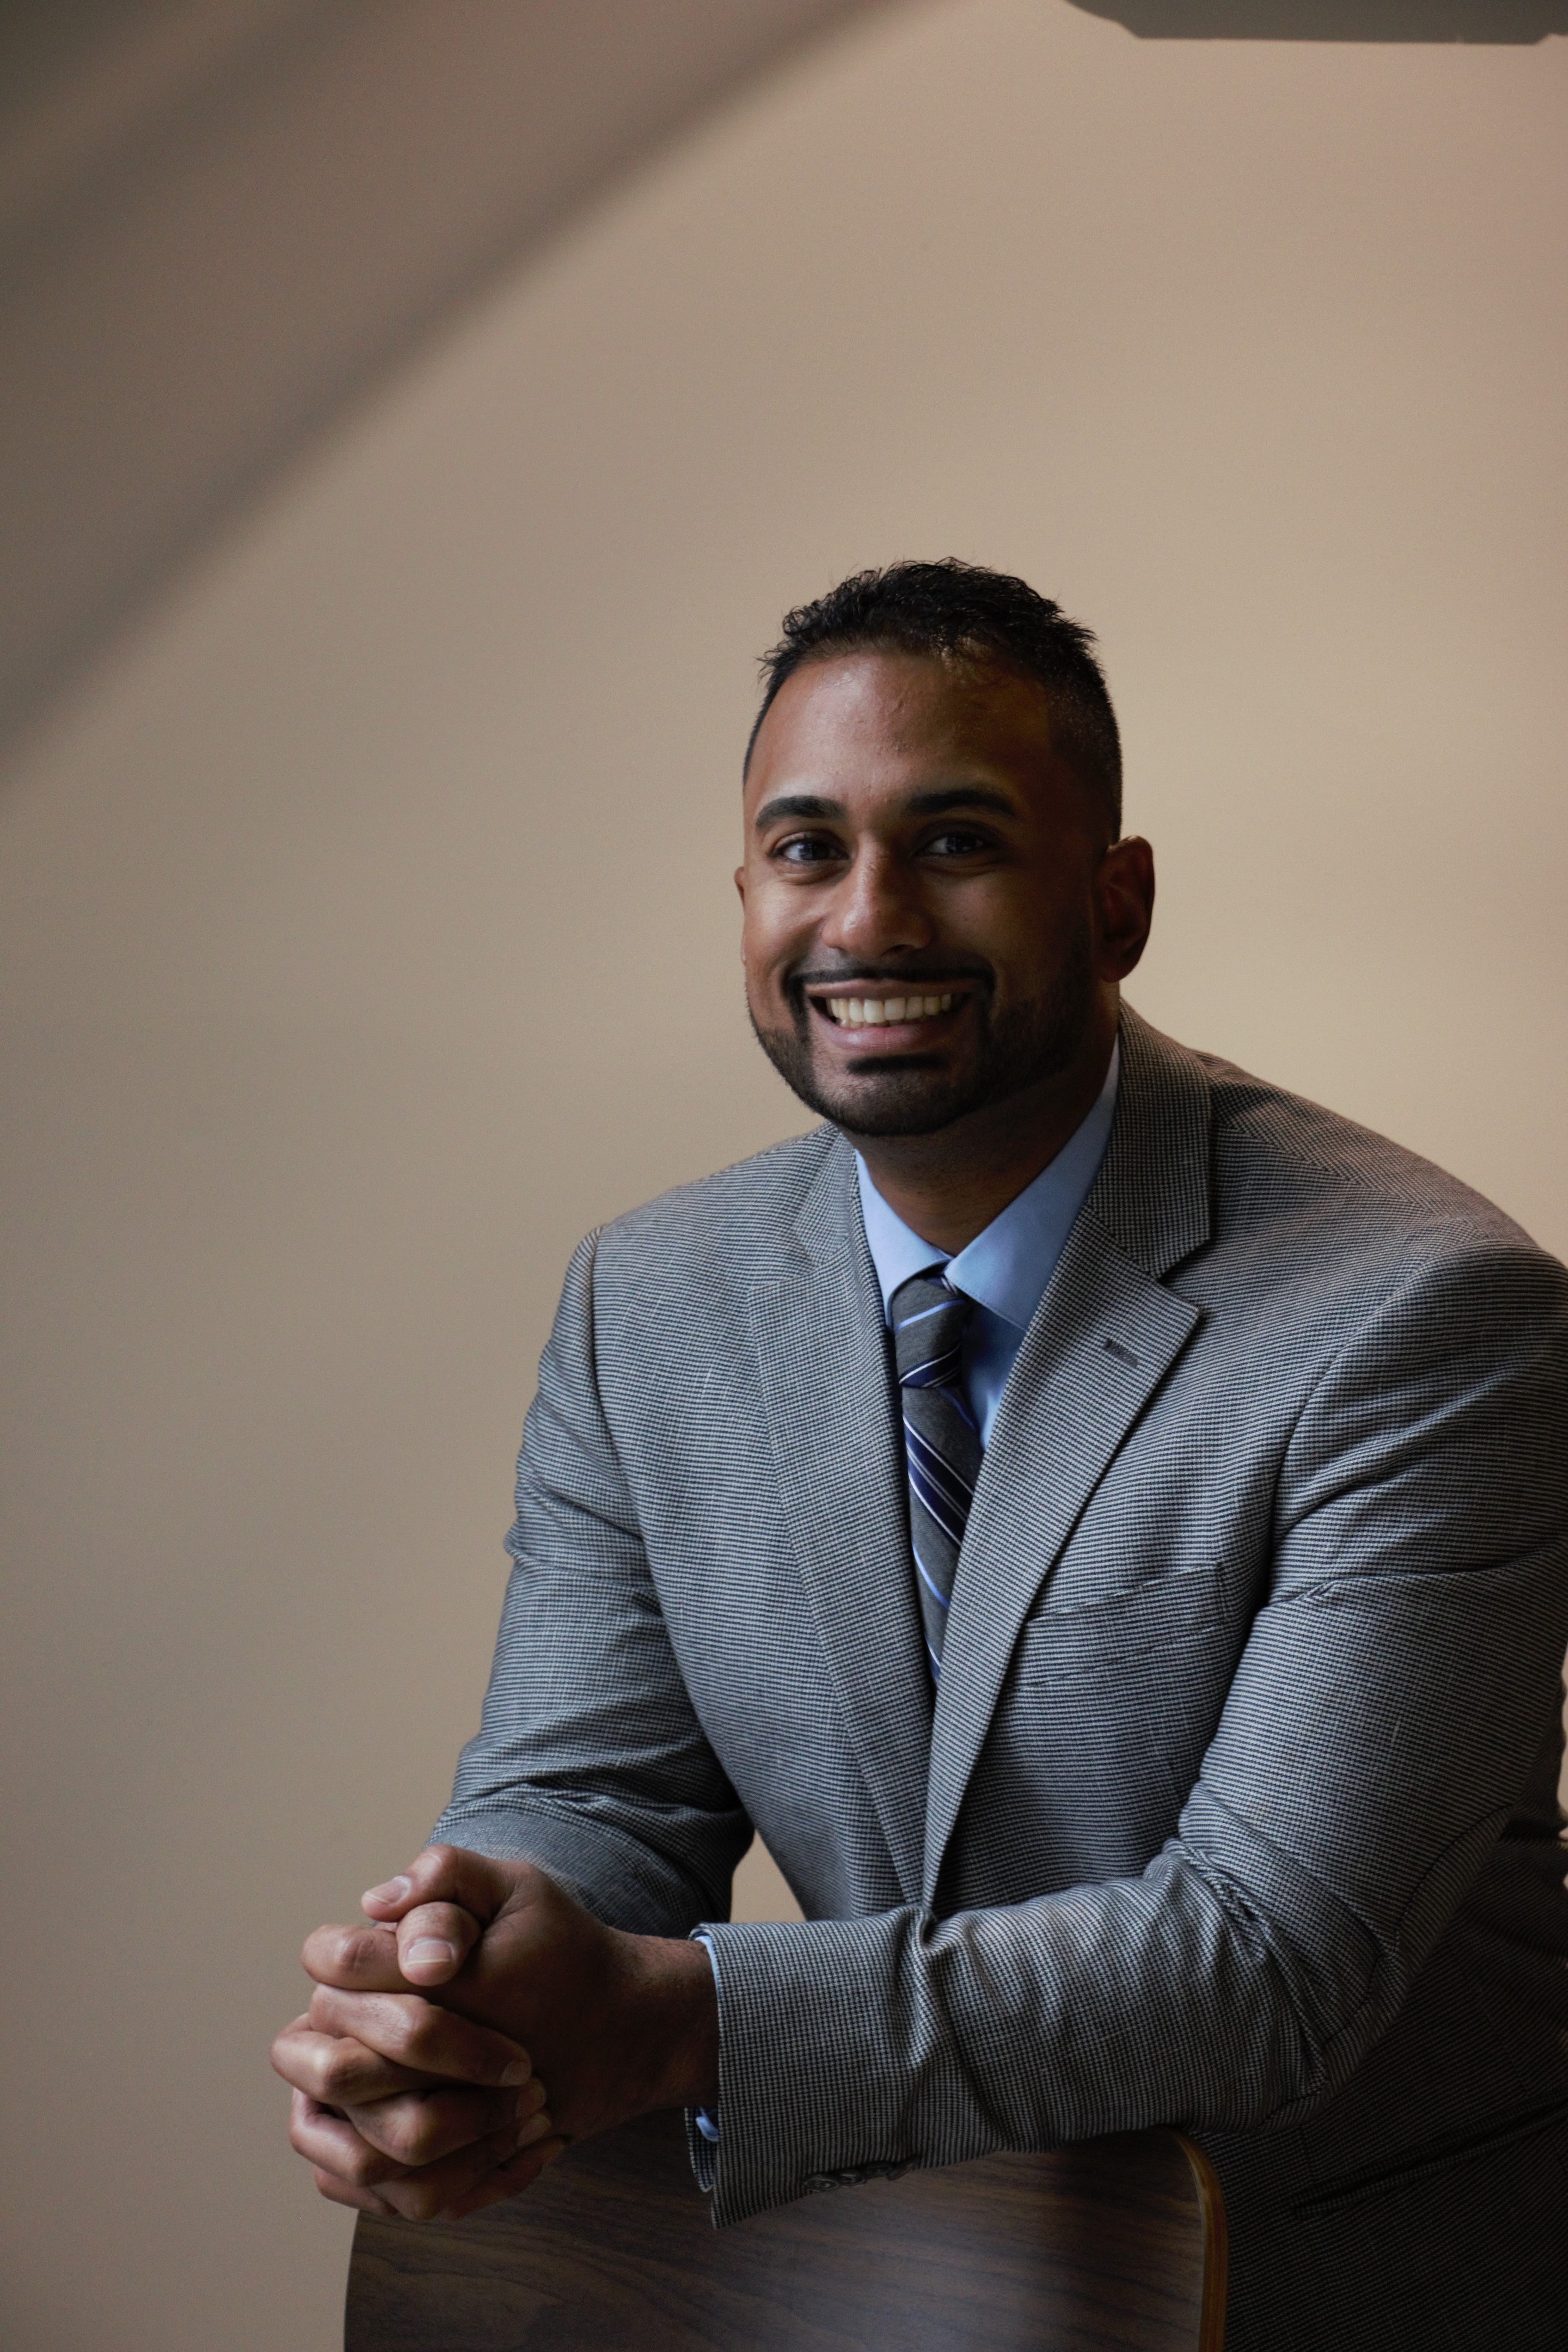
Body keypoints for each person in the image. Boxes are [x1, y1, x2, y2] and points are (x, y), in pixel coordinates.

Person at [271, 561, 1568, 2351]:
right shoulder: (649, 1299)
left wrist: (678, 2021)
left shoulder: (1426, 1315)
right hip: (906, 2278)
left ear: (1117, 902)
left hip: (1336, 2288)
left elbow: (1267, 1963)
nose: (868, 919)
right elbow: (595, 1796)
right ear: (744, 898)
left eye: (954, 841)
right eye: (806, 850)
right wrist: (468, 1990)